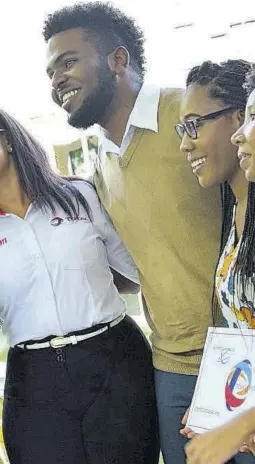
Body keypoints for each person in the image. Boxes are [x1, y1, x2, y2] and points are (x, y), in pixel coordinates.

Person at [43, 3, 221, 462]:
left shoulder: (191, 112)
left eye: (68, 61)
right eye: (50, 71)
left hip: (243, 353)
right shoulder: (100, 160)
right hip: (173, 367)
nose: (56, 80)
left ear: (118, 60)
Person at [0, 104, 158, 463]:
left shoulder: (80, 196)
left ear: (8, 140)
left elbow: (139, 273)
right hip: (35, 382)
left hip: (116, 365)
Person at [183, 63, 255, 464]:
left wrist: (242, 423)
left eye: (195, 125)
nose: (185, 144)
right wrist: (219, 407)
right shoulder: (234, 208)